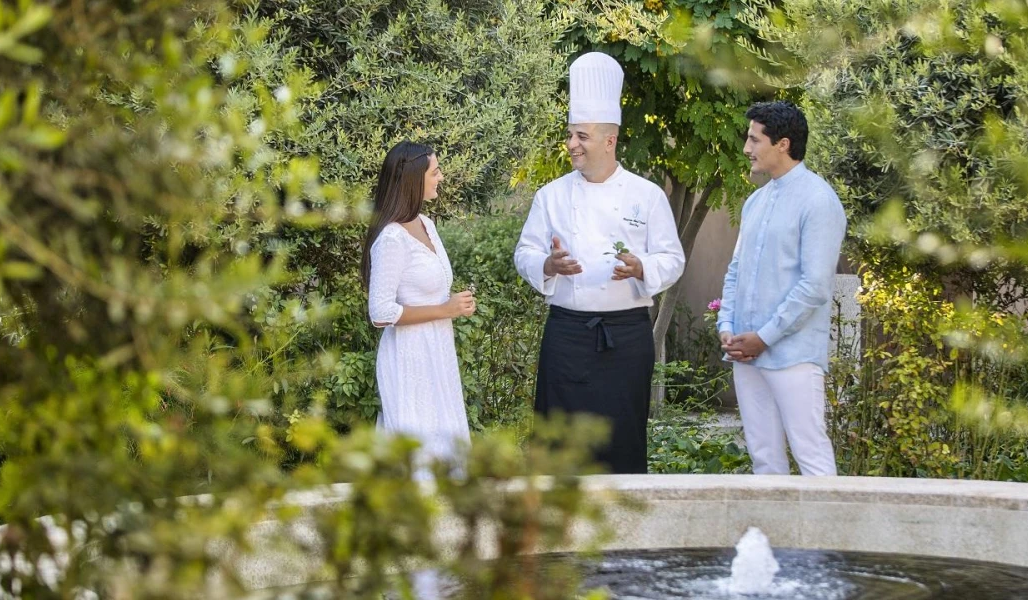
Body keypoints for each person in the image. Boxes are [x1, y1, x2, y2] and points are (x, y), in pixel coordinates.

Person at [513, 52, 686, 474]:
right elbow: (524, 254)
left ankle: (621, 535)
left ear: (609, 141)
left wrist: (642, 268)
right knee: (559, 442)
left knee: (622, 440)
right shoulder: (550, 196)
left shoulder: (647, 196)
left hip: (626, 340)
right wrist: (549, 266)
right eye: (571, 135)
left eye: (582, 136)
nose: (572, 144)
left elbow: (673, 258)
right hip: (567, 336)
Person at [717, 100, 847, 477]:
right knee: (764, 458)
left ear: (783, 144)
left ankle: (825, 538)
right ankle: (774, 539)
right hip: (745, 352)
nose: (746, 149)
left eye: (755, 140)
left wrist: (765, 337)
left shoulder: (818, 200)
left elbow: (815, 286)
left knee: (811, 455)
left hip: (793, 355)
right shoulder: (755, 202)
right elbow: (735, 270)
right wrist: (727, 326)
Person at [363, 141, 476, 477]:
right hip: (409, 356)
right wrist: (446, 309)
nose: (441, 177)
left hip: (438, 349)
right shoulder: (392, 239)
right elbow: (380, 312)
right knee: (419, 443)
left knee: (447, 436)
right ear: (413, 179)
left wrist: (454, 304)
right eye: (435, 171)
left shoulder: (427, 224)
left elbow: (427, 292)